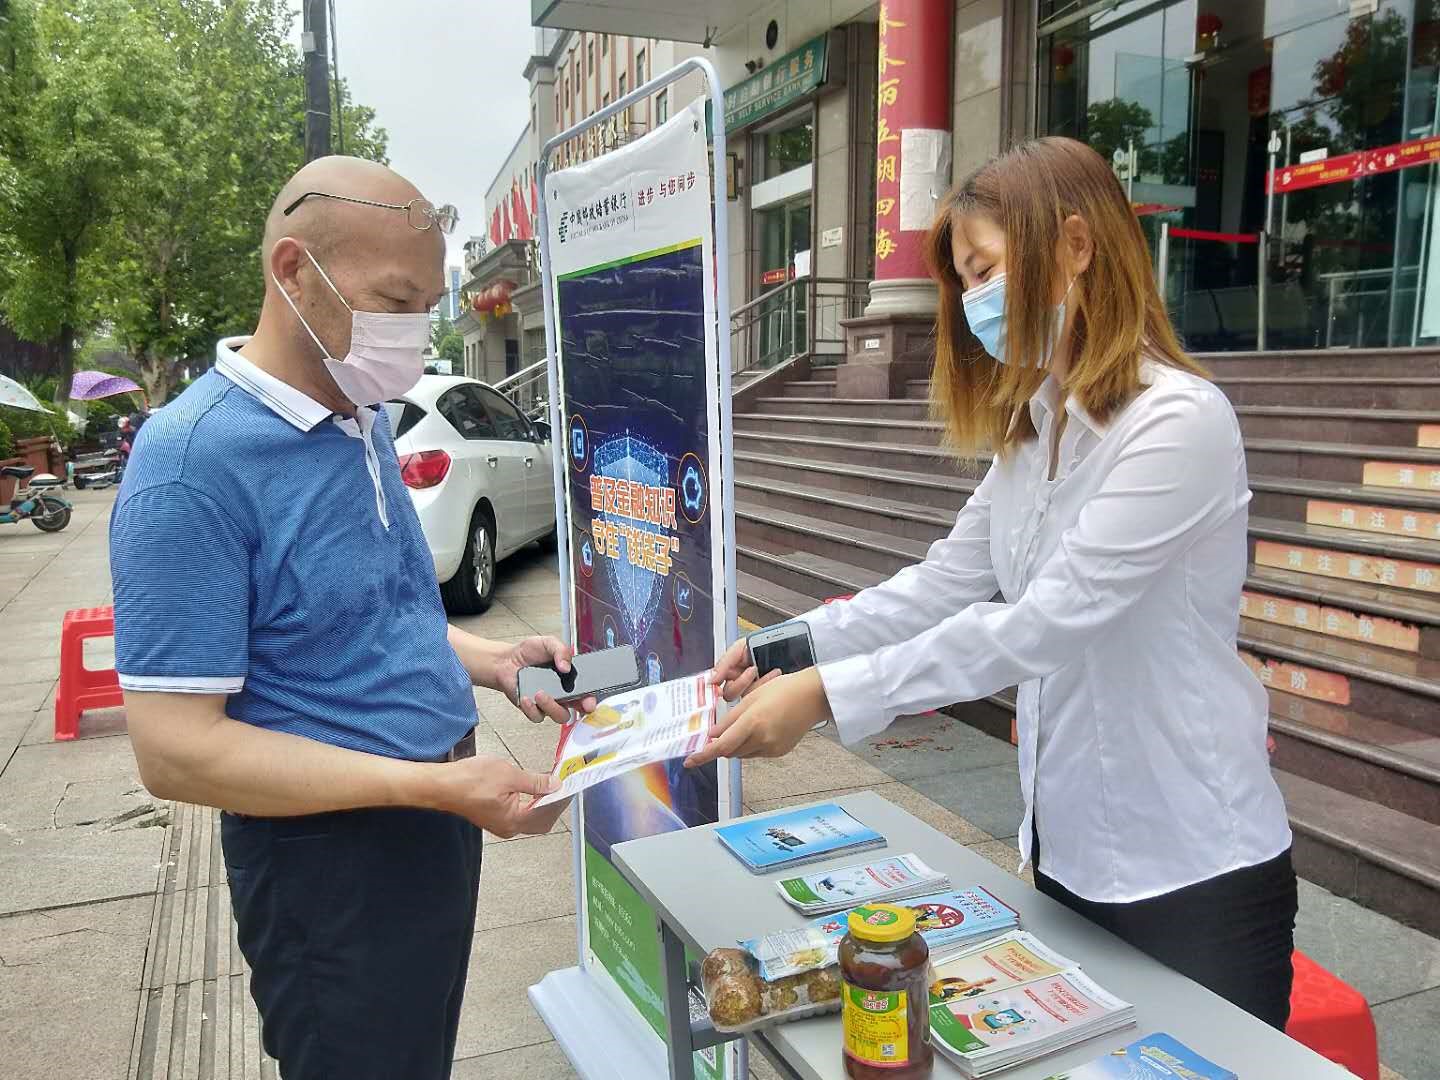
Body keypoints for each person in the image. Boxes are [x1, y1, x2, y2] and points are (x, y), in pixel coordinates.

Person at [690, 137, 1298, 1029]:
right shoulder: (1035, 430)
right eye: (965, 281)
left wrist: (824, 696)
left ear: (1078, 245)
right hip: (1067, 854)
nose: (975, 300)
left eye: (986, 270)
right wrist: (785, 648)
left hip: (1195, 870)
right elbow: (944, 581)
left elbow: (1042, 624)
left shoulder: (1177, 423)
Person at [110, 156, 590, 1080]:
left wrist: (490, 660)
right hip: (330, 859)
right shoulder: (189, 466)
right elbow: (174, 751)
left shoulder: (362, 415)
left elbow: (375, 616)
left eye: (427, 303)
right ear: (294, 271)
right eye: (395, 300)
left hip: (433, 821)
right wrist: (435, 788)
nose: (414, 329)